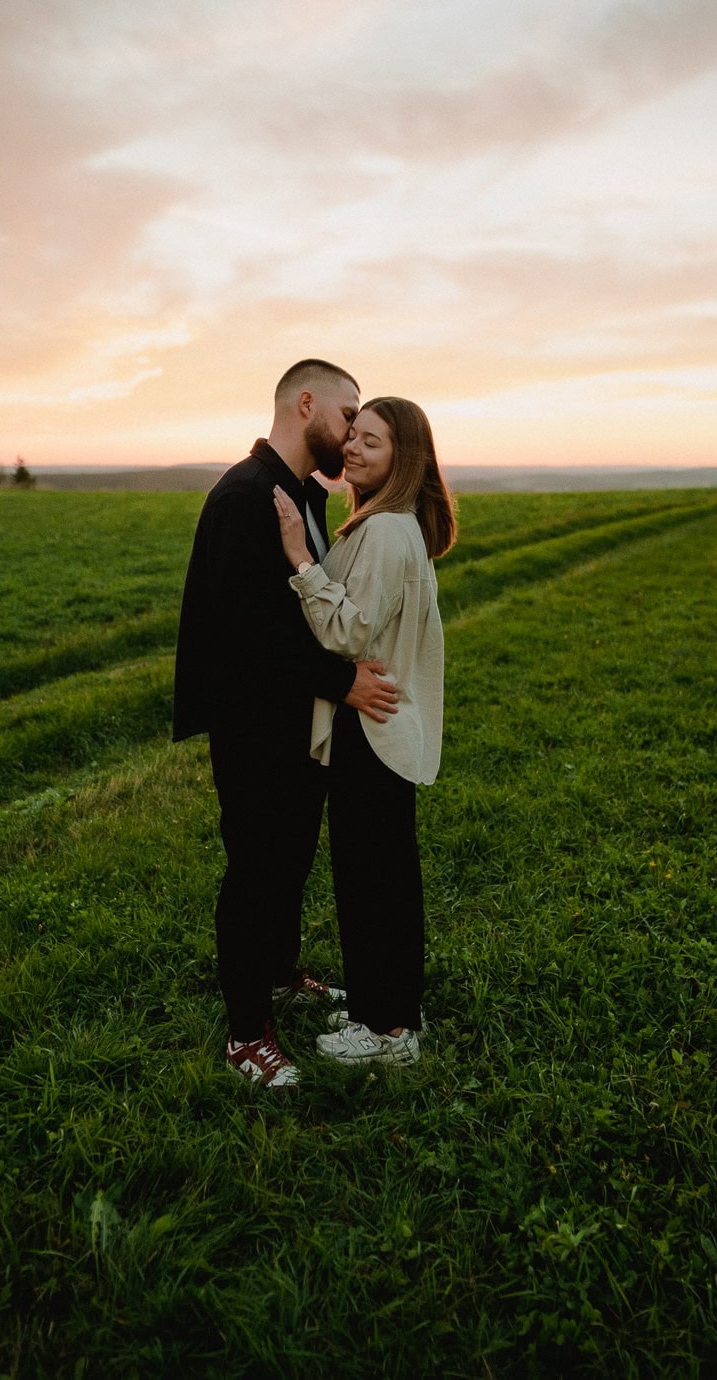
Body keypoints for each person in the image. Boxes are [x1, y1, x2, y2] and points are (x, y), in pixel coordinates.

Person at [173, 360, 400, 1088]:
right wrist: (345, 683)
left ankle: (276, 974)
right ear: (306, 405)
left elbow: (305, 608)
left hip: (296, 720)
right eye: (346, 414)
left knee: (290, 859)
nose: (352, 432)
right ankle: (246, 1036)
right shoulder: (243, 496)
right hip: (252, 726)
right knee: (256, 871)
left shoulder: (298, 493)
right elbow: (249, 634)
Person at [273, 396, 456, 1066]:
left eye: (371, 443)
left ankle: (385, 1033)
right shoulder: (391, 523)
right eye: (353, 437)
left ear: (402, 459)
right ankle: (389, 1005)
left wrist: (299, 557)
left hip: (371, 728)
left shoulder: (382, 533)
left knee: (370, 879)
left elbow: (348, 631)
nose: (352, 449)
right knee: (387, 876)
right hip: (383, 724)